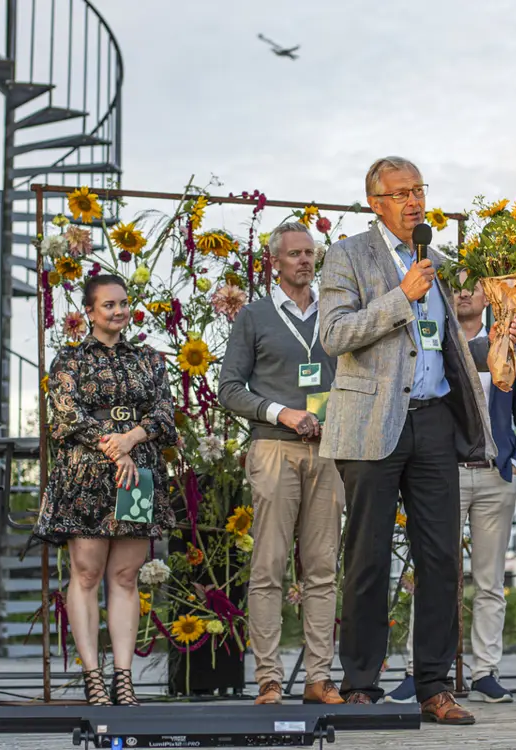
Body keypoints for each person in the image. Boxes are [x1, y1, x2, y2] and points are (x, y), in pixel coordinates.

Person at [318, 156, 516, 725]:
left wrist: (496, 341)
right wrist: (400, 296)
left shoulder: (442, 260)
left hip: (433, 422)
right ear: (375, 202)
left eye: (419, 190)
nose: (415, 201)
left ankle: (434, 685)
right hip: (369, 425)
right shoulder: (348, 254)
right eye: (402, 193)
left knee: (439, 559)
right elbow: (334, 335)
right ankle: (361, 683)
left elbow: (441, 347)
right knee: (366, 558)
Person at [387, 274, 516, 704]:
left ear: (488, 295)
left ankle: (486, 672)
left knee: (490, 581)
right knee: (431, 574)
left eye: (474, 287)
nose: (465, 293)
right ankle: (418, 672)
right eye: (457, 288)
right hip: (442, 475)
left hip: (495, 477)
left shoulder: (508, 349)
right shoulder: (435, 347)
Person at [33, 274, 178, 706]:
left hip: (138, 475)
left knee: (125, 576)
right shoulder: (70, 359)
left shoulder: (149, 359)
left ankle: (123, 677)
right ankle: (93, 676)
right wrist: (116, 450)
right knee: (86, 573)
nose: (118, 311)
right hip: (87, 477)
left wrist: (132, 438)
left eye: (123, 303)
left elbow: (165, 414)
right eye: (108, 305)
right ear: (90, 312)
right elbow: (66, 416)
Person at [217, 221, 345, 706]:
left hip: (329, 452)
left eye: (311, 253)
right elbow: (229, 388)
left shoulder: (335, 313)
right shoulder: (254, 316)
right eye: (295, 254)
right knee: (269, 567)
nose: (305, 261)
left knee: (322, 569)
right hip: (274, 447)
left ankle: (318, 678)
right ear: (274, 262)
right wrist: (283, 413)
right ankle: (269, 679)